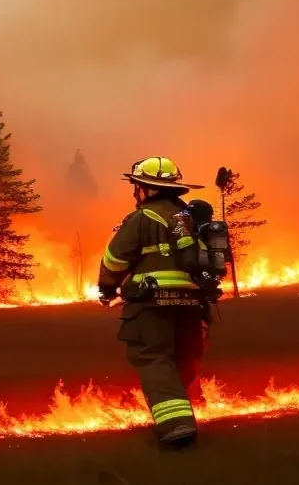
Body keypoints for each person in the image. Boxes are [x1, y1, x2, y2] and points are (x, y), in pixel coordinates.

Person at [96, 156, 213, 448]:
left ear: (147, 189)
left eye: (136, 186)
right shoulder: (189, 219)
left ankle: (176, 427)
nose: (135, 192)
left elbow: (114, 260)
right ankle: (182, 411)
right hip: (191, 302)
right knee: (181, 357)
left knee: (154, 357)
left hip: (152, 301)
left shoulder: (142, 217)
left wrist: (107, 289)